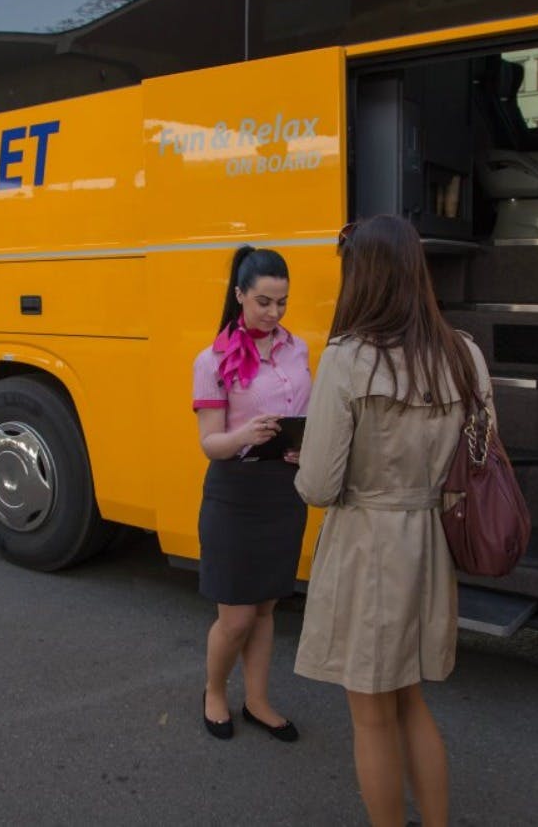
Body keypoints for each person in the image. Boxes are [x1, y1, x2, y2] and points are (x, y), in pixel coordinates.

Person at [293, 214, 490, 827]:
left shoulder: (348, 359)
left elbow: (318, 486)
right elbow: (479, 456)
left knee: (372, 716)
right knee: (411, 702)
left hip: (367, 546)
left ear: (361, 277)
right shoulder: (464, 354)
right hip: (430, 542)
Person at [192, 245, 310, 742]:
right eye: (263, 301)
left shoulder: (297, 349)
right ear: (239, 295)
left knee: (265, 608)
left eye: (282, 302)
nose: (274, 312)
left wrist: (301, 447)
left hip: (284, 490)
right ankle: (214, 691)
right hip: (235, 494)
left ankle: (258, 700)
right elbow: (210, 443)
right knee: (237, 617)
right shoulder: (212, 360)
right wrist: (246, 435)